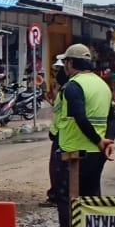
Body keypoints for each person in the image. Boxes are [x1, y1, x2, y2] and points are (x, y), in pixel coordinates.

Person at [39, 42, 115, 227]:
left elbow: (79, 117)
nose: (64, 66)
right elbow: (111, 119)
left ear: (71, 63)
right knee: (91, 197)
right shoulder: (102, 85)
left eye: (66, 62)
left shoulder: (74, 86)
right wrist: (107, 142)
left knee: (65, 198)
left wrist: (99, 140)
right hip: (96, 153)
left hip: (73, 152)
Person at [43, 54, 68, 206]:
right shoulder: (64, 90)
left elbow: (62, 115)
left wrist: (55, 131)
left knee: (58, 167)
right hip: (60, 132)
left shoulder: (68, 90)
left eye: (59, 70)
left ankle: (57, 196)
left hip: (62, 134)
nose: (56, 74)